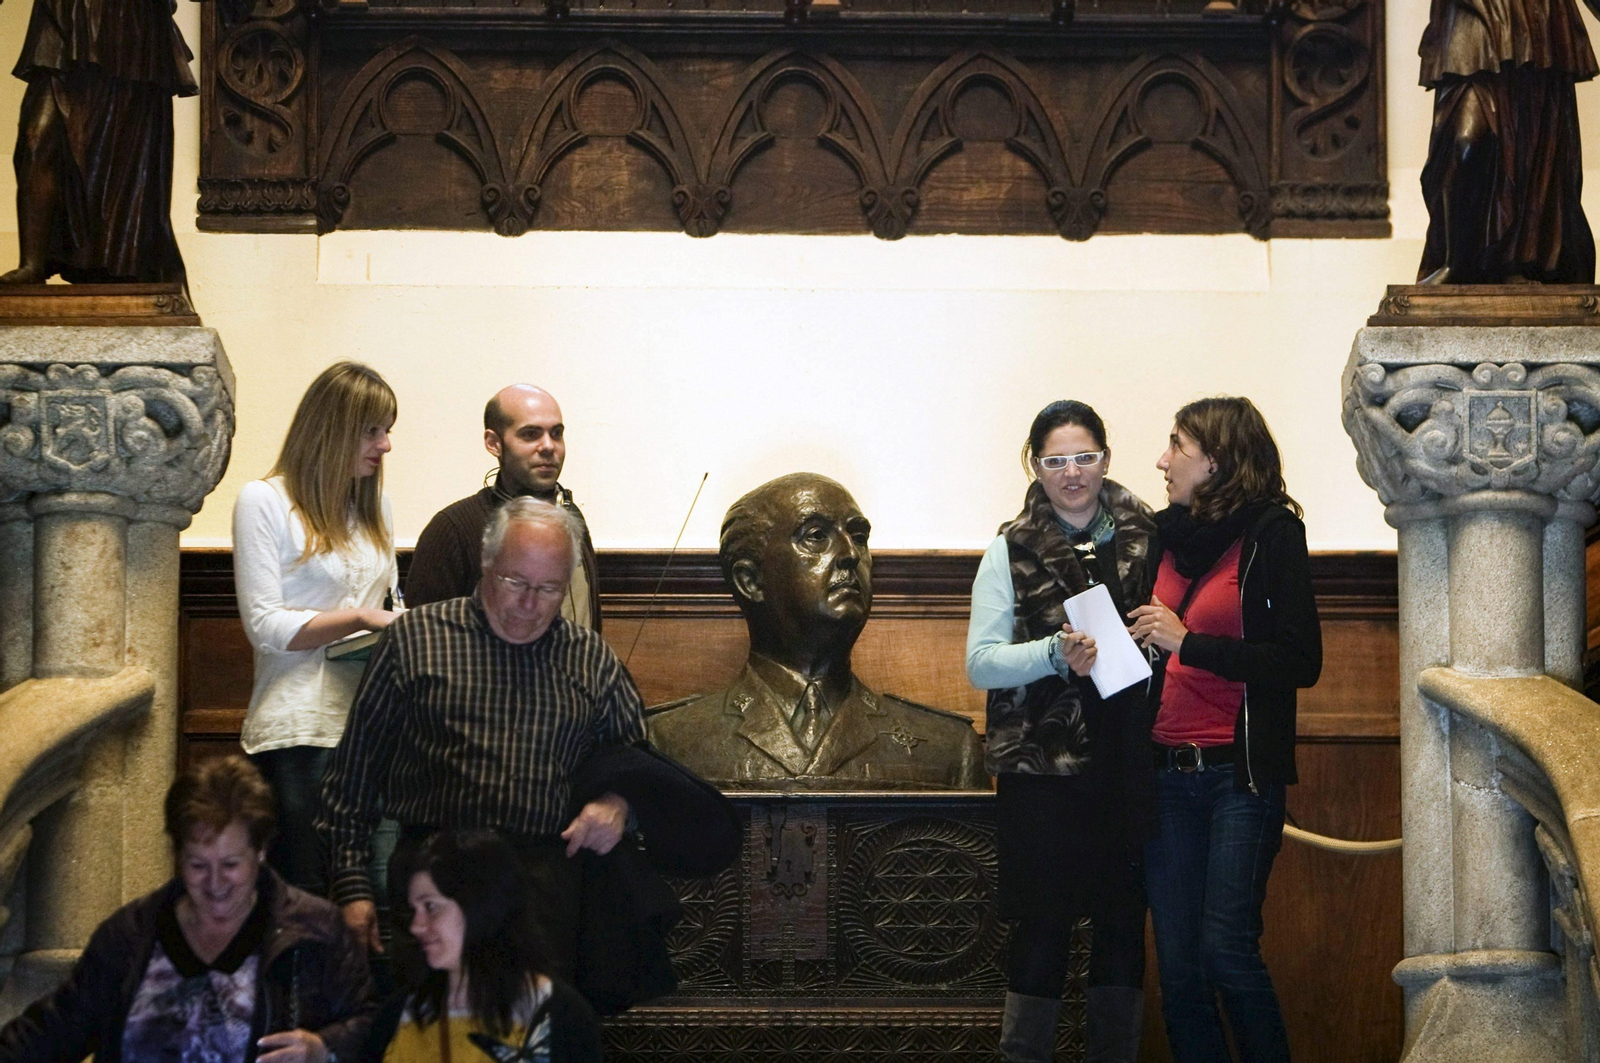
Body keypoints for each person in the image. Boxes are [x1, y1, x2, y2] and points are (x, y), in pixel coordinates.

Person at [318, 496, 646, 979]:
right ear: (486, 565)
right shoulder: (416, 640)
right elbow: (353, 778)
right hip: (433, 882)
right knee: (432, 1025)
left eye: (549, 589)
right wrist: (351, 886)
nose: (530, 604)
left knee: (537, 1026)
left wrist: (617, 804)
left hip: (542, 891)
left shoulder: (591, 660)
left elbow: (641, 766)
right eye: (516, 582)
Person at [1128, 397, 1322, 1063]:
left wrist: (1189, 642)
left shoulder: (1273, 534)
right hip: (1164, 775)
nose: (1162, 460)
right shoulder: (1157, 536)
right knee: (1179, 972)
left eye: (1176, 445)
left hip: (1237, 777)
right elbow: (1147, 646)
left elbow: (1300, 661)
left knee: (1226, 951)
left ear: (1215, 460)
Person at [966, 401, 1158, 1063]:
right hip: (1042, 771)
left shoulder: (1151, 534)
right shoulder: (1009, 547)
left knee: (1122, 929)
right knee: (1042, 930)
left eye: (1084, 457)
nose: (1071, 473)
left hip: (1130, 761)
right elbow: (981, 662)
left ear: (1105, 459)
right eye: (1055, 461)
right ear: (1034, 465)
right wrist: (1053, 653)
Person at [0, 756, 375, 1063]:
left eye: (231, 864)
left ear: (261, 851)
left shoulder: (314, 929)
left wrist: (325, 1048)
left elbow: (372, 1025)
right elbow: (56, 1029)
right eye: (198, 865)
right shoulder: (131, 934)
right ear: (178, 856)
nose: (215, 882)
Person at [648, 472, 986, 789]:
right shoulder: (666, 742)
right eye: (816, 536)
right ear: (750, 581)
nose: (850, 554)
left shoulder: (948, 750)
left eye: (858, 537)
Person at [232, 361, 401, 894]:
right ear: (333, 429)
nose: (386, 444)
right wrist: (361, 618)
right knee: (309, 901)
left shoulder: (375, 508)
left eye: (386, 429)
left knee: (376, 900)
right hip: (298, 734)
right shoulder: (265, 500)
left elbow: (390, 602)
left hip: (372, 733)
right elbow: (265, 625)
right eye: (372, 430)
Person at [365, 831, 604, 1063]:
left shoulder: (563, 1015)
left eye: (430, 907)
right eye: (414, 910)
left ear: (479, 906)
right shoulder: (397, 1016)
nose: (416, 926)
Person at [3, 0, 195, 283]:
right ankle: (32, 264)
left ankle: (115, 264)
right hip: (63, 14)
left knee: (121, 158)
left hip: (130, 24)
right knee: (37, 138)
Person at [1415, 0, 1600, 283]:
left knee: (1530, 145)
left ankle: (1517, 260)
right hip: (1473, 15)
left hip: (1536, 18)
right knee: (1466, 142)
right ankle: (1456, 261)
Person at [405, 384, 600, 630]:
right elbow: (419, 636)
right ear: (493, 443)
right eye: (530, 434)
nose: (548, 446)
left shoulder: (571, 515)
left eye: (556, 433)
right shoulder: (453, 529)